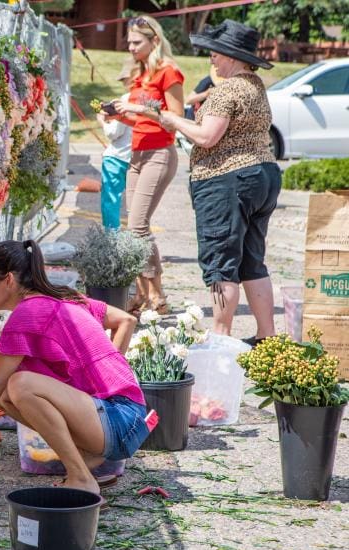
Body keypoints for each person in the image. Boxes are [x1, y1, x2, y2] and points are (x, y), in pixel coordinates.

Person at [0, 240, 147, 496]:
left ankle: (81, 477)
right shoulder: (62, 297)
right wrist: (103, 377)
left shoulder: (27, 313)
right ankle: (85, 457)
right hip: (123, 416)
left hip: (118, 419)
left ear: (8, 279)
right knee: (8, 395)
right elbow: (126, 320)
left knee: (19, 385)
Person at [158, 20, 279, 345]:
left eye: (217, 52)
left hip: (227, 180)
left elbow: (207, 137)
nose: (212, 57)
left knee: (221, 261)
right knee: (252, 260)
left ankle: (221, 338)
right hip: (264, 174)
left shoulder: (227, 90)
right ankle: (267, 338)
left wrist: (172, 120)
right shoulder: (255, 86)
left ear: (233, 56)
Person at [107, 16, 185, 316]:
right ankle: (141, 294)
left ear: (154, 41)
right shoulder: (141, 74)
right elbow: (140, 120)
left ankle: (158, 294)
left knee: (138, 226)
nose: (130, 48)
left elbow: (174, 117)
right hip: (137, 154)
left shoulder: (169, 72)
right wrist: (118, 116)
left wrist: (138, 107)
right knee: (133, 228)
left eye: (136, 42)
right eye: (128, 42)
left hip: (160, 153)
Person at [96, 58, 136, 230]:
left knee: (111, 199)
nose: (124, 84)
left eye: (125, 80)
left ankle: (111, 237)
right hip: (136, 158)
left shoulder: (126, 98)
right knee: (135, 201)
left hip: (117, 157)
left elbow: (114, 133)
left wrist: (101, 121)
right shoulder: (148, 97)